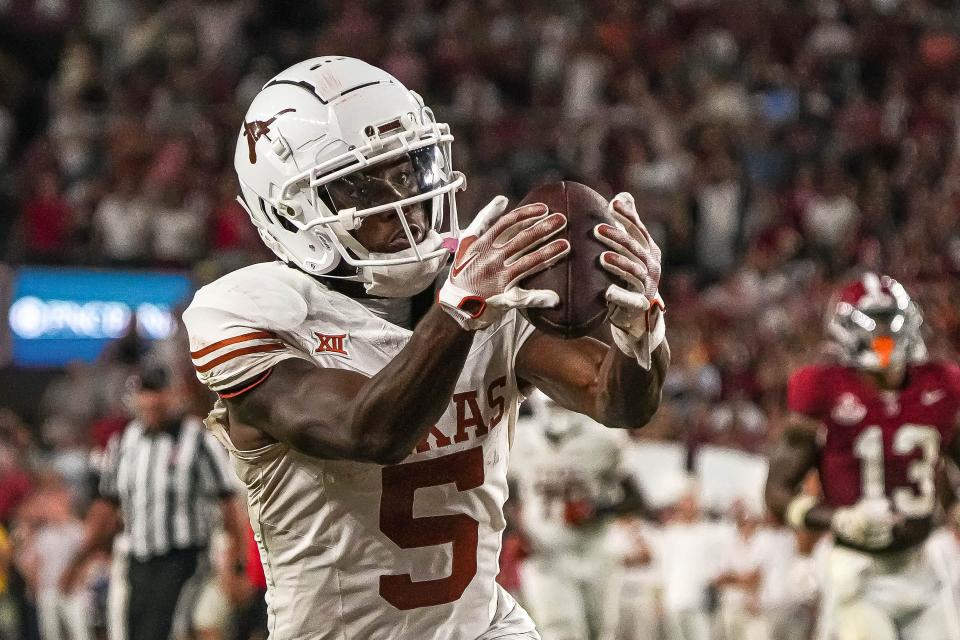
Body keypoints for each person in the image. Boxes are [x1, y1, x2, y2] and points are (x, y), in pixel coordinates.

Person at [182, 57, 669, 640]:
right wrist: (458, 312)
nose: (405, 205)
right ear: (291, 212)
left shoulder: (477, 281)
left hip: (482, 625)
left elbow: (616, 401)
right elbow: (370, 431)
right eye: (361, 186)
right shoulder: (254, 315)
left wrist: (639, 334)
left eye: (409, 171)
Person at [765, 272, 960, 640]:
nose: (885, 336)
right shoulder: (823, 389)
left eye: (891, 322)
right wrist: (837, 519)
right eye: (876, 325)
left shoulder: (942, 385)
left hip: (923, 564)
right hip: (859, 570)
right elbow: (776, 494)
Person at [60, 365, 247, 640]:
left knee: (169, 629)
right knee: (133, 631)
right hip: (138, 560)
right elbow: (107, 506)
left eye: (157, 392)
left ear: (174, 395)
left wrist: (236, 566)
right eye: (145, 392)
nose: (151, 400)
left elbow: (228, 505)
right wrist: (79, 559)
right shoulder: (124, 442)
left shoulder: (198, 440)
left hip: (185, 557)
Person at [510, 392, 644, 640]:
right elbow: (503, 494)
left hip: (596, 552)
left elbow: (637, 500)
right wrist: (516, 532)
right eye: (552, 402)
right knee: (562, 632)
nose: (559, 409)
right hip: (545, 556)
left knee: (599, 632)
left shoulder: (605, 438)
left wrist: (596, 510)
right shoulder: (519, 437)